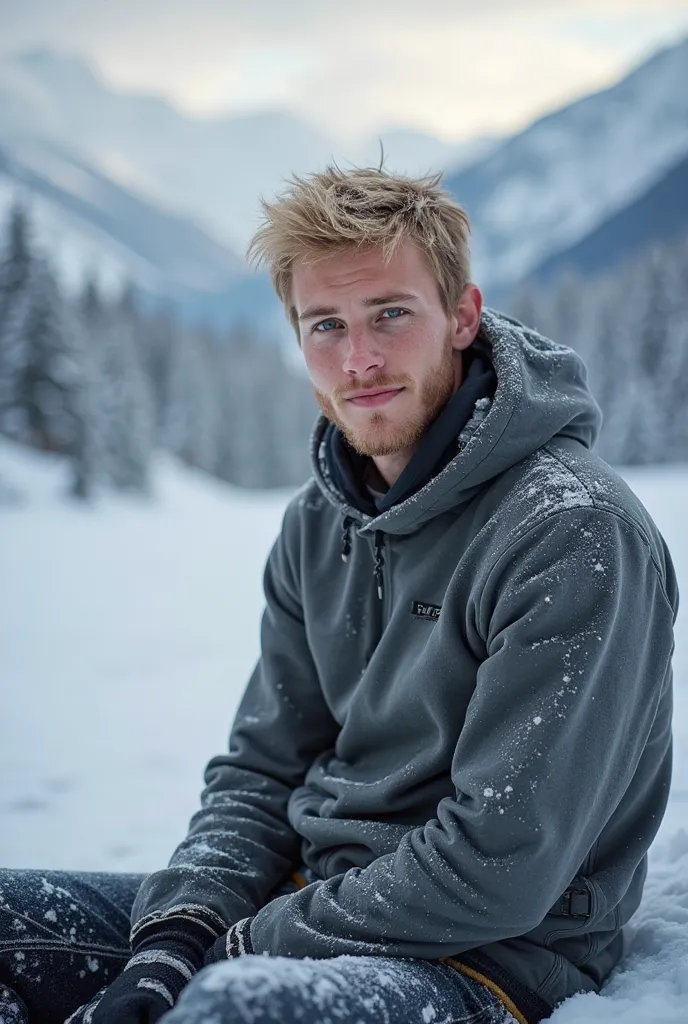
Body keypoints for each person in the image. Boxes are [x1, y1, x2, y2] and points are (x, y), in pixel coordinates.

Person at [0, 166, 677, 1024]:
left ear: (462, 317)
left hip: (485, 958)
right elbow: (262, 768)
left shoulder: (570, 533)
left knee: (229, 1013)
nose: (358, 361)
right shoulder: (321, 522)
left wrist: (238, 950)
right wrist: (180, 933)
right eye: (326, 325)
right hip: (305, 901)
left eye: (391, 314)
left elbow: (497, 868)